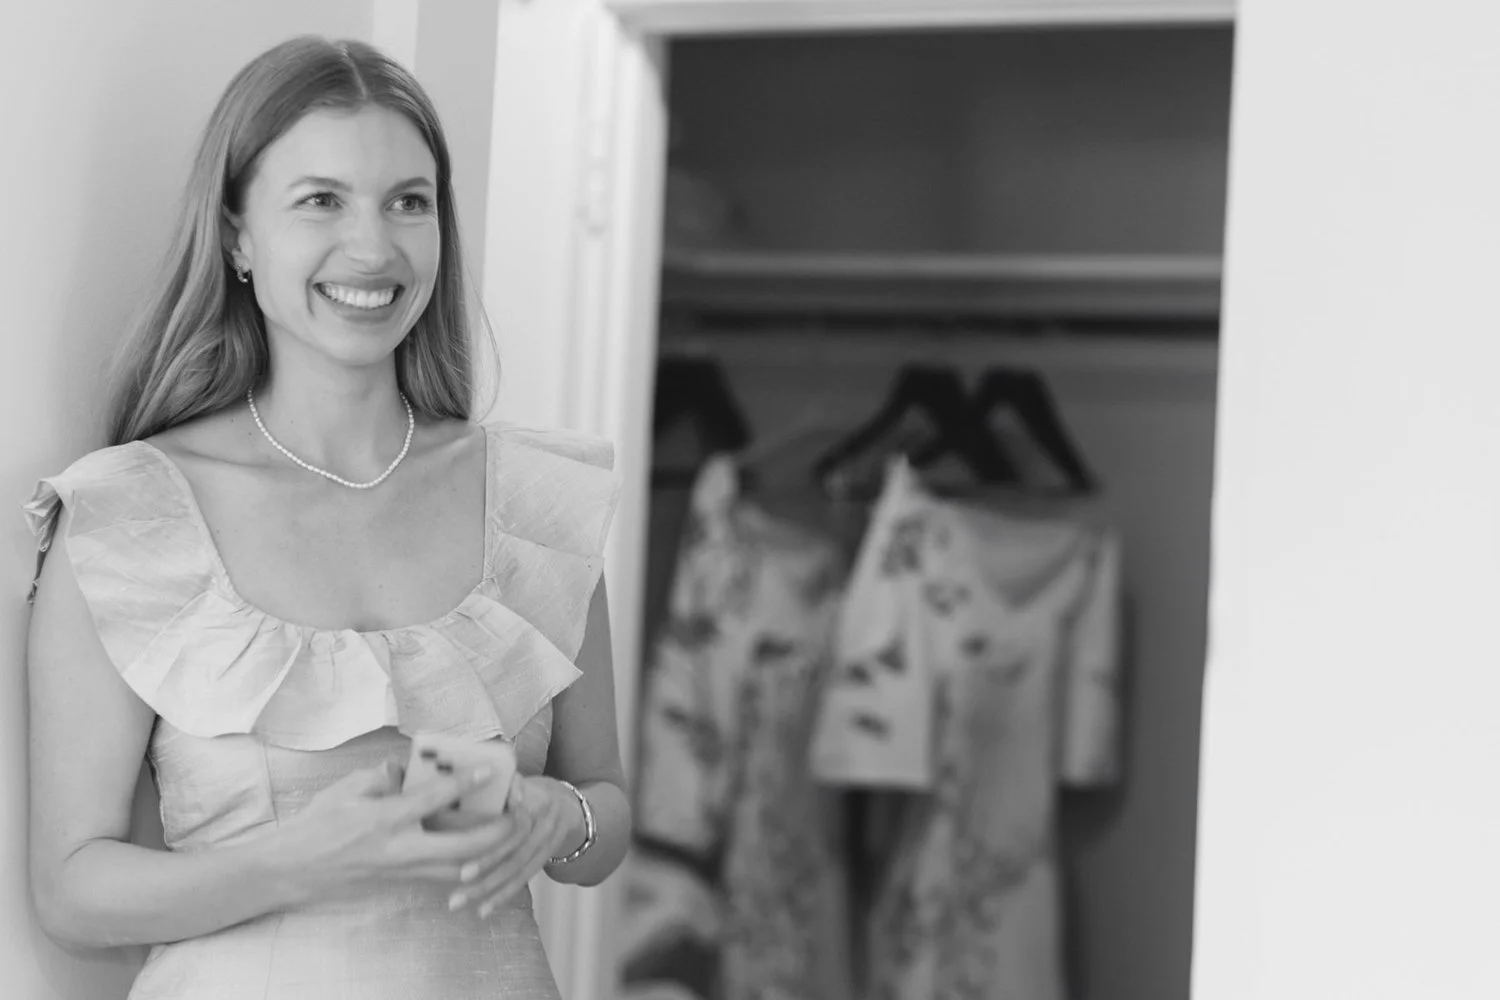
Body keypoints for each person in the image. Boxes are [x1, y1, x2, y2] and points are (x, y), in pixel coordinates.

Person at [22, 35, 629, 1000]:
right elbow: (70, 891)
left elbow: (606, 818)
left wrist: (563, 818)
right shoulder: (130, 516)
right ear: (237, 236)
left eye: (409, 202)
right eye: (321, 200)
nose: (374, 248)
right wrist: (307, 857)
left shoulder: (533, 503)